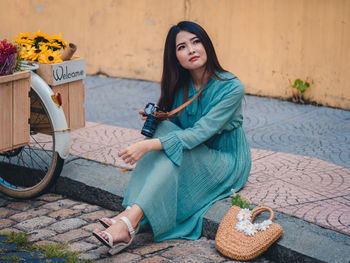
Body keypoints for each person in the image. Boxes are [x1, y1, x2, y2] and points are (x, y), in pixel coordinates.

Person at [93, 21, 251, 254]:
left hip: (225, 159)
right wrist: (158, 117)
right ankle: (130, 214)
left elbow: (198, 134)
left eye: (196, 42)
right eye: (182, 47)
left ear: (207, 44)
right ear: (175, 56)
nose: (192, 50)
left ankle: (129, 221)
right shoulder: (181, 85)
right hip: (195, 150)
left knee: (170, 149)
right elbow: (176, 130)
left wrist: (146, 146)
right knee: (163, 132)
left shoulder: (231, 87)